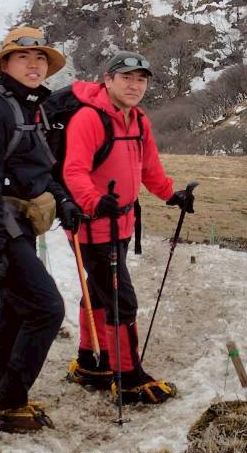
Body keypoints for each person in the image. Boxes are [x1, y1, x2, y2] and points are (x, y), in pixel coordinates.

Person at [63, 50, 195, 404]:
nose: (135, 86)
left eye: (141, 80)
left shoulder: (137, 120)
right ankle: (128, 378)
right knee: (121, 299)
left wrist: (171, 195)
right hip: (92, 227)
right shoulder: (89, 118)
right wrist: (93, 202)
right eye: (127, 78)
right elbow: (74, 170)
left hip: (121, 224)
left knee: (100, 291)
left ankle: (92, 362)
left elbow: (148, 168)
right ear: (107, 80)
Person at [0, 27, 78, 433]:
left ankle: (8, 399)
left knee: (15, 310)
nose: (34, 64)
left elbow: (40, 169)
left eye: (40, 57)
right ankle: (9, 402)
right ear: (5, 64)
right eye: (24, 56)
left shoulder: (33, 108)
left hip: (19, 223)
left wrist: (62, 199)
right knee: (47, 308)